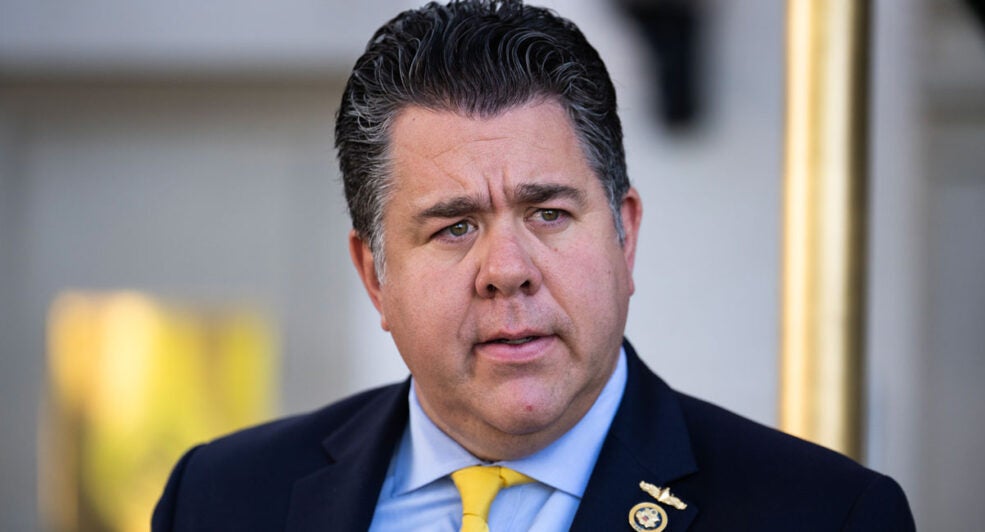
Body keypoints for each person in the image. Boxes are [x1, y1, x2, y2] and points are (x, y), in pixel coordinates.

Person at [152, 1, 916, 530]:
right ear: (374, 274)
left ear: (626, 235)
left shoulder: (826, 516)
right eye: (454, 227)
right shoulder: (220, 499)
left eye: (548, 213)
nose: (507, 270)